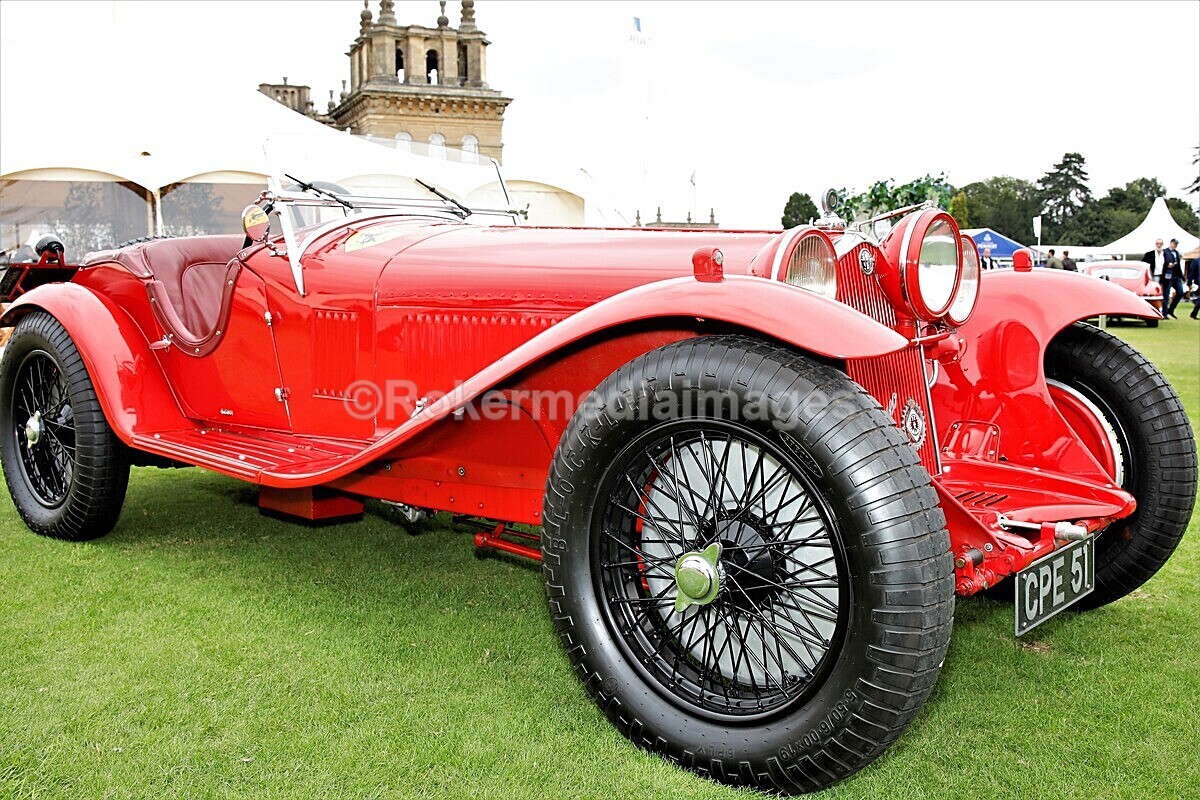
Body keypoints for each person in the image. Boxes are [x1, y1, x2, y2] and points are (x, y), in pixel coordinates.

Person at [1161, 238, 1184, 318]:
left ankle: (1171, 310)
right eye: (1174, 244)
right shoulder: (1165, 252)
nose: (1175, 245)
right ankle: (1164, 312)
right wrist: (1167, 266)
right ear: (1171, 243)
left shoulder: (1177, 253)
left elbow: (1179, 265)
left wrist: (1182, 276)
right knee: (1166, 294)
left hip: (1176, 275)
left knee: (1180, 292)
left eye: (1176, 244)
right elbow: (1162, 263)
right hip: (1168, 275)